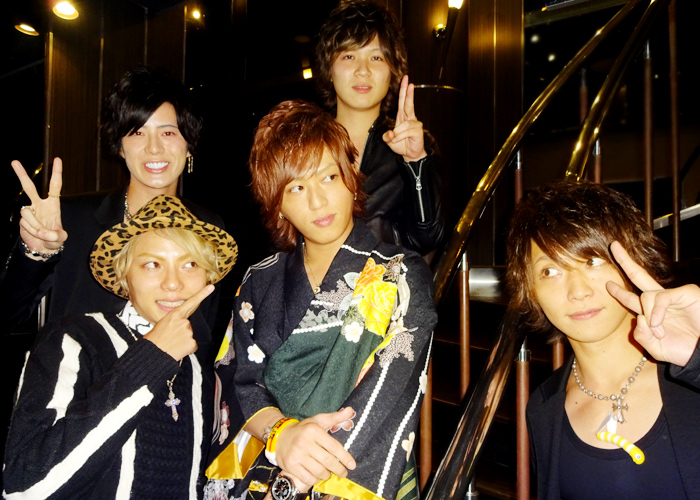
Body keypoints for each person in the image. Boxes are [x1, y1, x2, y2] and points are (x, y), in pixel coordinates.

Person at [203, 100, 436, 500]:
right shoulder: (260, 279)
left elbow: (389, 391)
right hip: (267, 468)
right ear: (277, 204)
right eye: (296, 187)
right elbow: (236, 377)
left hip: (353, 478)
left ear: (351, 178)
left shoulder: (398, 273)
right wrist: (281, 434)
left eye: (329, 177)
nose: (317, 201)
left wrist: (297, 479)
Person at [3, 195, 238, 498]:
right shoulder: (74, 339)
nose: (173, 283)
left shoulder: (197, 369)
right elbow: (24, 485)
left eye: (190, 264)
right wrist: (151, 359)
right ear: (125, 275)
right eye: (152, 264)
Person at [506, 180, 700, 500]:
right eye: (550, 271)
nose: (578, 291)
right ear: (531, 291)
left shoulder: (690, 373)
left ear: (634, 261)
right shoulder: (543, 410)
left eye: (593, 261)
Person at [0, 67, 223, 334]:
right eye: (138, 133)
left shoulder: (209, 226)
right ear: (120, 147)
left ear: (189, 145)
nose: (154, 148)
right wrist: (36, 253)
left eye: (168, 133)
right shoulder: (72, 220)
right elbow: (6, 317)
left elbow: (204, 328)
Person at [315, 0, 444, 255]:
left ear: (392, 70)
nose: (363, 70)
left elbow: (428, 239)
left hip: (384, 279)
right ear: (329, 68)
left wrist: (415, 162)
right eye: (349, 56)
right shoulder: (306, 143)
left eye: (376, 57)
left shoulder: (417, 145)